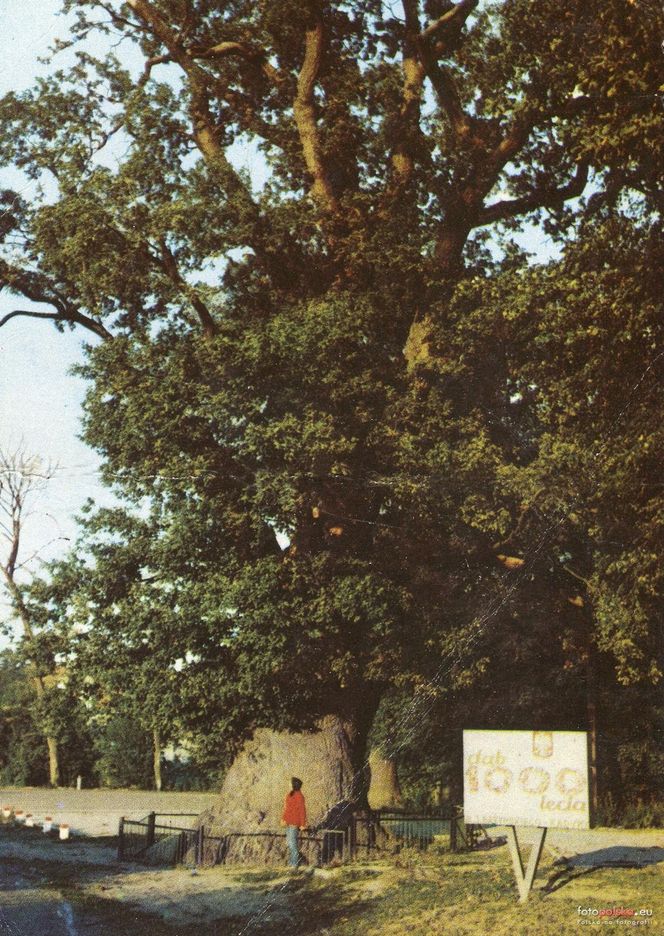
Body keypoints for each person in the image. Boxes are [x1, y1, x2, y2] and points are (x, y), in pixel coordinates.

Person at [281, 776, 307, 868]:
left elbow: (302, 811)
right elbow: (286, 809)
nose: (289, 784)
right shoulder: (289, 795)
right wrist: (283, 819)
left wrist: (303, 824)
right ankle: (292, 863)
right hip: (288, 822)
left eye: (290, 783)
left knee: (293, 844)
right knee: (289, 843)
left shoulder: (299, 796)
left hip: (294, 822)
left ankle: (294, 865)